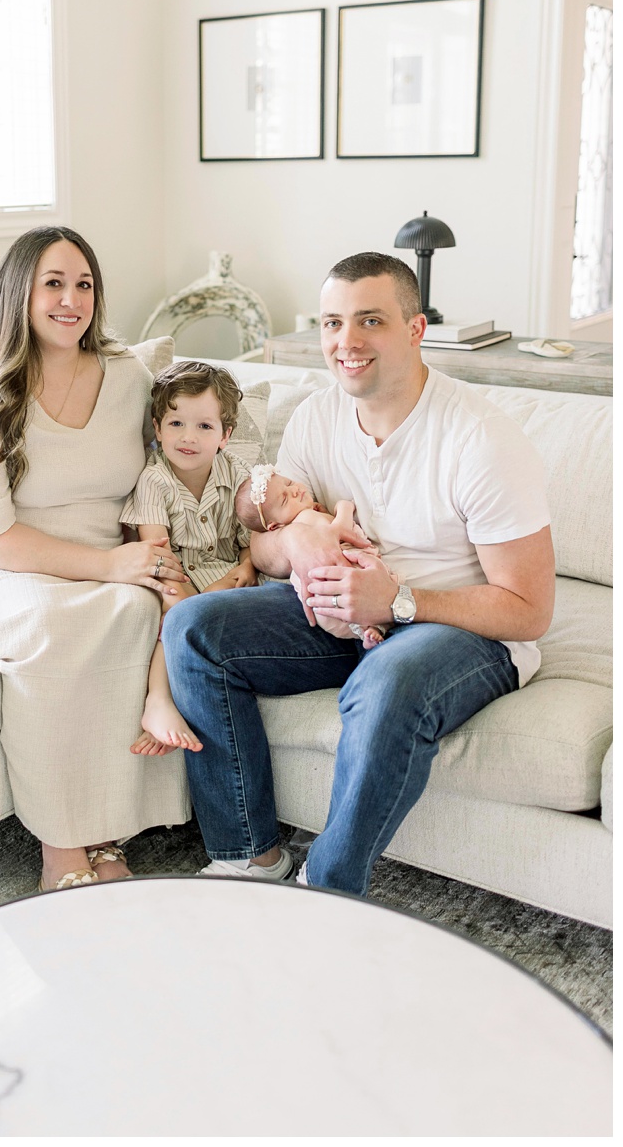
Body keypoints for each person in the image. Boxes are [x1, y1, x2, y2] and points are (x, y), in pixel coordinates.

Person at [162, 251, 555, 891]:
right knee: (193, 627)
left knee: (390, 679)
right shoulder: (317, 417)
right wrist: (300, 540)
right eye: (332, 323)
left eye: (370, 320)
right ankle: (250, 857)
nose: (346, 342)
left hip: (460, 630)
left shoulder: (481, 438)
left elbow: (530, 609)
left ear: (415, 329)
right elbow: (264, 547)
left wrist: (398, 601)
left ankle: (326, 889)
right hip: (336, 611)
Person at [0, 226, 190, 893]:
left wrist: (156, 554)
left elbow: (161, 475)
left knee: (138, 611)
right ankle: (62, 845)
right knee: (53, 621)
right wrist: (111, 568)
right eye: (54, 284)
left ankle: (107, 830)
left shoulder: (128, 377)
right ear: (20, 293)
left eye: (84, 285)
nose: (72, 300)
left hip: (105, 551)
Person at [121, 361, 256, 757]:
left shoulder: (237, 473)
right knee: (177, 620)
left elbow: (251, 539)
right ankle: (159, 701)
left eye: (204, 426)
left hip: (231, 579)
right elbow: (158, 555)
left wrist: (247, 566)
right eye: (176, 423)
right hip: (176, 579)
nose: (188, 437)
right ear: (158, 428)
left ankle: (193, 698)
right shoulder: (154, 480)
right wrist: (185, 600)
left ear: (225, 436)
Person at [234, 466, 386, 649]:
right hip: (343, 570)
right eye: (285, 499)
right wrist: (343, 509)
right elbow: (341, 528)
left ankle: (368, 630)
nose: (294, 490)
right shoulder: (305, 519)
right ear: (275, 526)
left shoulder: (307, 517)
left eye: (289, 483)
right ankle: (372, 626)